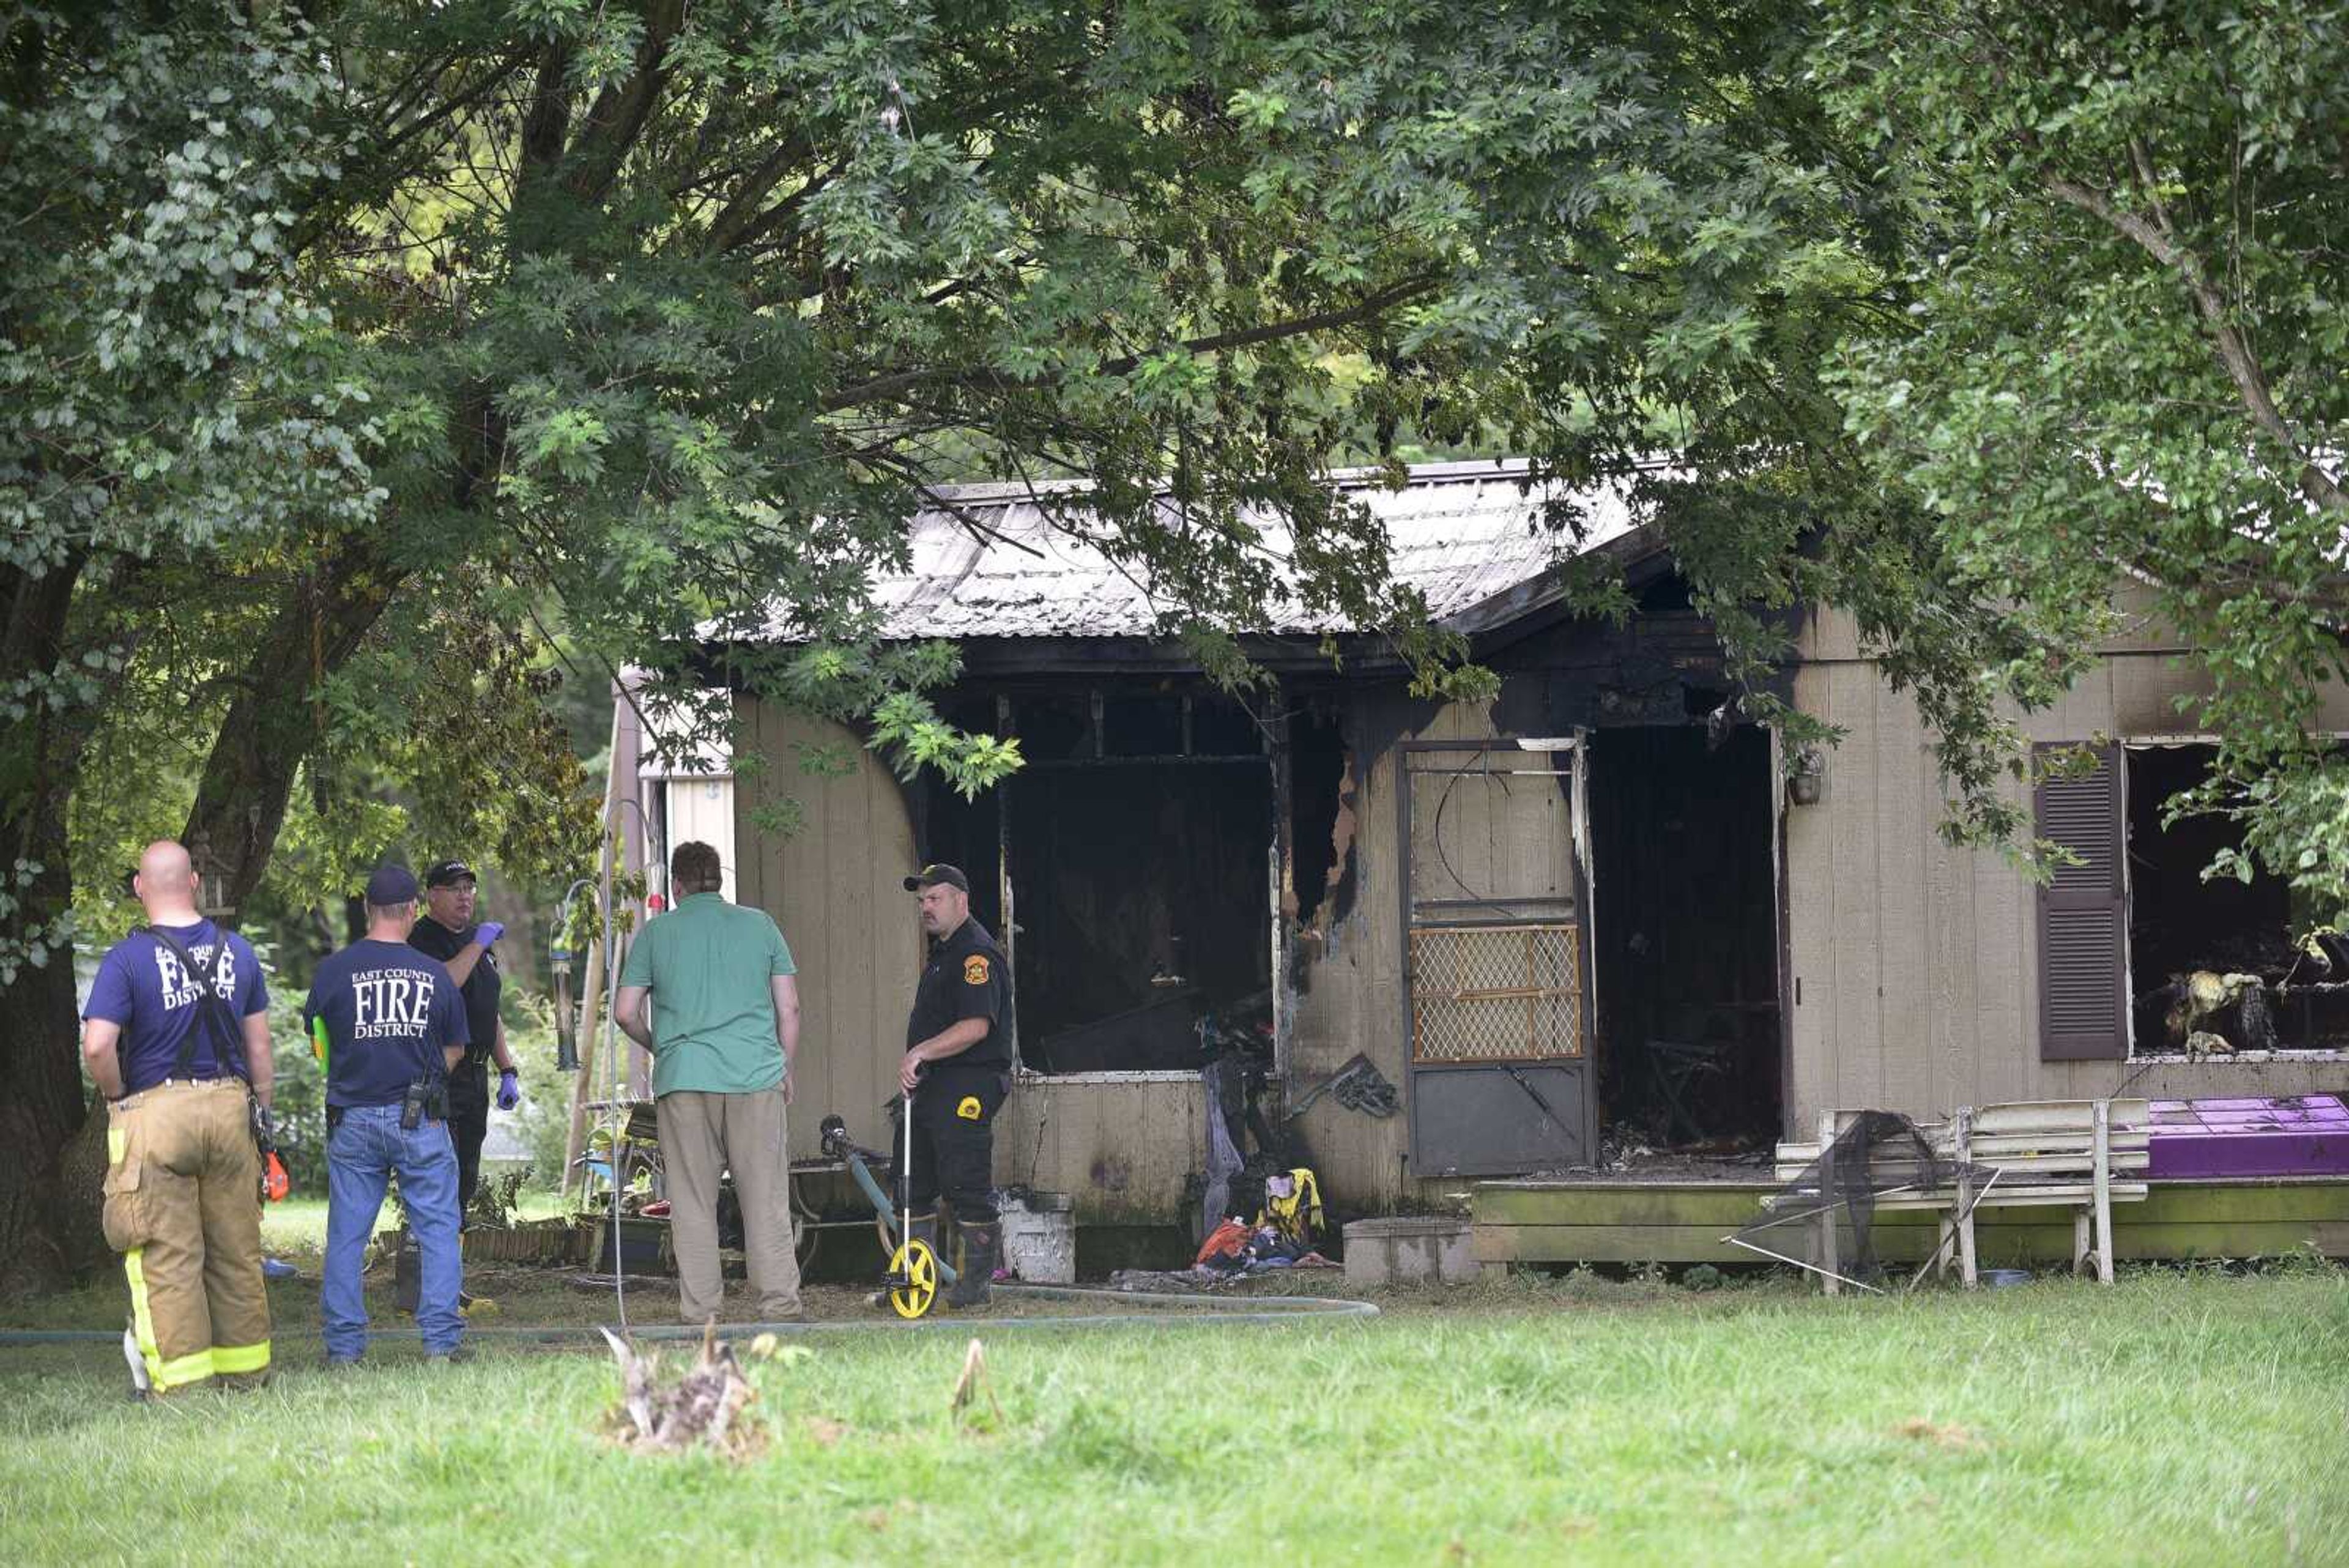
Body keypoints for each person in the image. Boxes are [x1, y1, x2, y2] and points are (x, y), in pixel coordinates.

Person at [80, 841, 276, 1394]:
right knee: (237, 1251)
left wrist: (119, 1098)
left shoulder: (127, 958)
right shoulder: (238, 951)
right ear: (193, 882)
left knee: (168, 1256)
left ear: (141, 887)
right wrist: (262, 1112)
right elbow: (259, 1050)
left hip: (157, 1111)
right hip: (230, 1109)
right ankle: (247, 1377)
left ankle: (184, 1388)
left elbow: (98, 1046)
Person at [614, 841, 804, 1325]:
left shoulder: (657, 934)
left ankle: (702, 1314)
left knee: (693, 1201)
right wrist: (783, 1064)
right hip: (754, 1078)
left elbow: (624, 1012)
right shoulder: (760, 926)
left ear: (676, 885)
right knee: (764, 1199)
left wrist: (662, 1046)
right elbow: (790, 1009)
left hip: (685, 1080)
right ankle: (779, 1306)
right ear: (719, 879)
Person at [306, 864, 470, 1367]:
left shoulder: (333, 971)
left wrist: (351, 1070)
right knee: (439, 1228)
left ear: (368, 911)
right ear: (413, 910)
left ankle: (344, 1350)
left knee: (346, 1236)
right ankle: (441, 1344)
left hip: (353, 1118)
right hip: (419, 1118)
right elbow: (456, 1049)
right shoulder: (434, 975)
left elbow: (318, 1044)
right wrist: (425, 1082)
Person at [897, 863, 1014, 1310]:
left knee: (966, 1185)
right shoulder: (943, 952)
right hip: (931, 1088)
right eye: (922, 900)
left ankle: (974, 1287)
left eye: (935, 898)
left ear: (961, 901)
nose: (925, 907)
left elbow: (976, 1026)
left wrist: (919, 1052)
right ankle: (917, 1284)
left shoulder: (975, 955)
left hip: (967, 1084)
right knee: (914, 1182)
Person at [406, 860, 520, 1229]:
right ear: (432, 896)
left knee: (466, 1174)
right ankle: (425, 1269)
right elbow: (443, 985)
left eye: (469, 888)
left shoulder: (478, 941)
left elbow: (490, 1011)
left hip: (475, 1075)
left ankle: (451, 1265)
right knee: (441, 1173)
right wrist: (477, 945)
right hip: (442, 1073)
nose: (465, 896)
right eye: (455, 889)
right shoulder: (423, 938)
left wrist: (507, 1070)